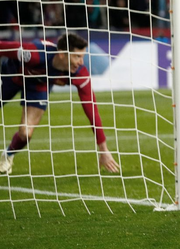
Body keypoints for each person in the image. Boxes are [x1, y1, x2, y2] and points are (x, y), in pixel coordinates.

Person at [0, 33, 119, 175]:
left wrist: (103, 149)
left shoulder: (80, 74)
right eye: (77, 57)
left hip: (39, 85)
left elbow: (91, 109)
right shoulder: (33, 54)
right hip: (12, 75)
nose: (81, 62)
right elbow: (3, 47)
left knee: (25, 133)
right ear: (62, 54)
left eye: (82, 57)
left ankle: (7, 155)